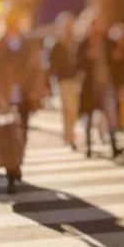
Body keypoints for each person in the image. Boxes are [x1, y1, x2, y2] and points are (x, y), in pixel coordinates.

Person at [0, 5, 45, 194]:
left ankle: (17, 162)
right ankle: (11, 171)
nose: (14, 23)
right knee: (7, 135)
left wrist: (36, 89)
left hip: (24, 94)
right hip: (4, 95)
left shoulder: (27, 42)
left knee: (22, 132)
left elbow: (37, 67)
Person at [76, 9, 124, 158]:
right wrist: (87, 57)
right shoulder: (82, 44)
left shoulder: (108, 42)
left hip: (107, 84)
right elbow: (77, 64)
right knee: (88, 118)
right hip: (89, 86)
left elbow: (119, 64)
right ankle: (88, 148)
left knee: (111, 114)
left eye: (98, 23)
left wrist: (121, 84)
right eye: (93, 23)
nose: (96, 27)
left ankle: (113, 145)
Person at [45, 11, 81, 149]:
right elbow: (51, 65)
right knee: (69, 108)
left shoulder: (75, 43)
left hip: (76, 79)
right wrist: (48, 82)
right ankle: (70, 137)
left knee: (73, 110)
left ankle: (68, 135)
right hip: (63, 80)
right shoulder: (56, 45)